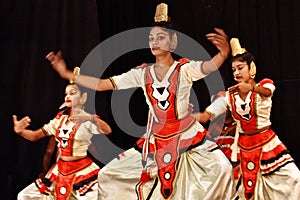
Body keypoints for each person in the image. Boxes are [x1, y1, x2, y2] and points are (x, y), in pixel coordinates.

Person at [47, 3, 235, 199]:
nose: (154, 41)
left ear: (173, 42)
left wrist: (222, 54)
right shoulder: (142, 73)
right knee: (108, 175)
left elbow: (207, 67)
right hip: (155, 140)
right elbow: (103, 84)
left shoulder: (184, 69)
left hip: (187, 135)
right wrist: (68, 73)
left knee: (222, 169)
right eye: (151, 38)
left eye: (160, 37)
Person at [192, 38, 300, 199]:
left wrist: (251, 87)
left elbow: (267, 92)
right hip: (242, 146)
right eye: (234, 69)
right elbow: (206, 116)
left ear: (252, 68)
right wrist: (184, 116)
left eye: (240, 68)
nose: (236, 73)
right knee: (244, 190)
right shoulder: (229, 96)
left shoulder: (264, 85)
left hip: (266, 143)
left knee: (293, 177)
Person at [13, 76, 112, 200]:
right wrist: (20, 131)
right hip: (59, 170)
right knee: (24, 196)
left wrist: (91, 118)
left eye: (72, 93)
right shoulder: (59, 121)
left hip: (82, 169)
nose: (68, 96)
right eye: (66, 93)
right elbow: (35, 136)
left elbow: (107, 130)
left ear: (83, 98)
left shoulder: (88, 120)